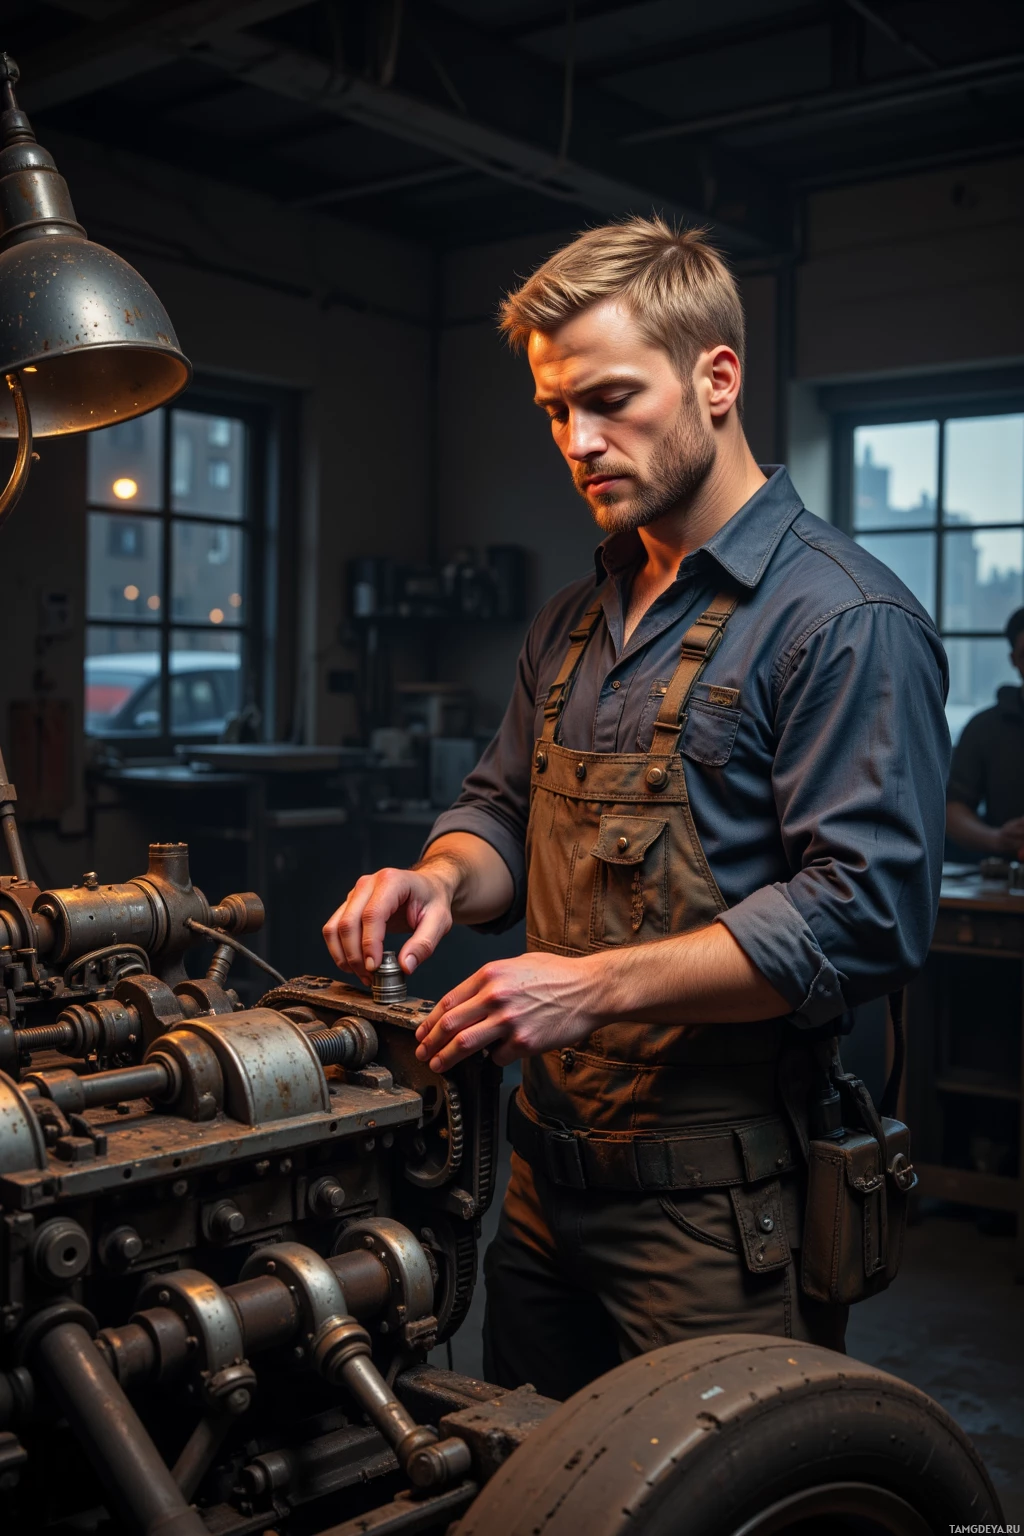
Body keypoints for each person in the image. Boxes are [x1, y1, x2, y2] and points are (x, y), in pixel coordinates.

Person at [323, 218, 950, 1402]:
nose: (579, 441)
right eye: (555, 412)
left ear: (716, 378)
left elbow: (863, 914)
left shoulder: (841, 620)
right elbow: (498, 810)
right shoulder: (574, 618)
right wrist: (443, 879)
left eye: (609, 399)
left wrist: (593, 982)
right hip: (543, 1182)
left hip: (717, 1217)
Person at [946, 607, 1024, 861]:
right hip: (1005, 881)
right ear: (1014, 660)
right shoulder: (985, 728)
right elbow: (952, 809)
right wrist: (997, 839)